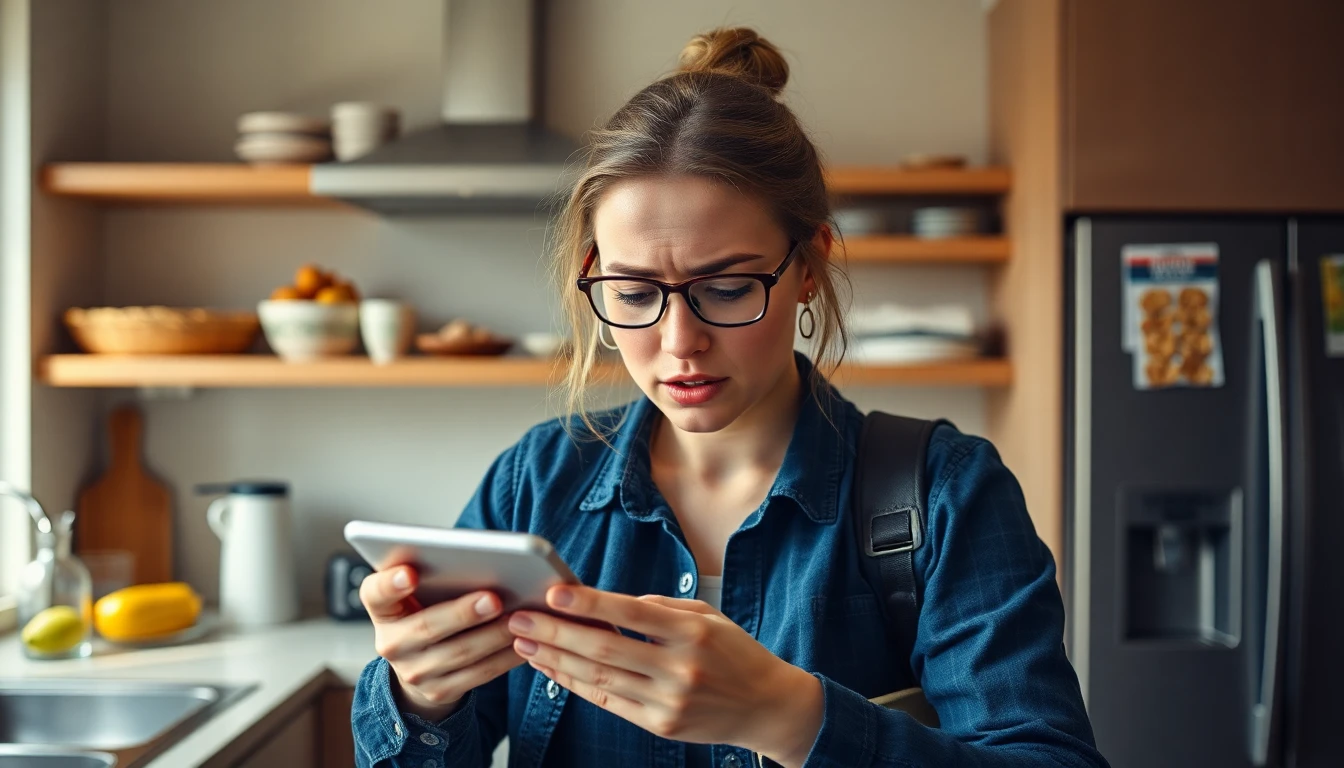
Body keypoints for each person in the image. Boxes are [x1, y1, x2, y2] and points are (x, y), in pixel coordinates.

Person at [352, 26, 1108, 768]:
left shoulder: (943, 492)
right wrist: (421, 699)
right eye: (634, 290)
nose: (680, 339)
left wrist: (791, 718)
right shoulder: (536, 481)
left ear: (810, 264)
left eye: (726, 286)